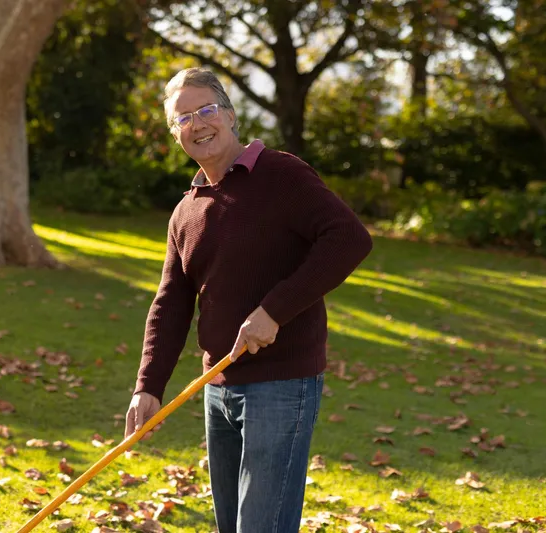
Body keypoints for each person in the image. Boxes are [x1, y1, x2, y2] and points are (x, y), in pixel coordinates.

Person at [124, 67, 373, 533]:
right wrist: (148, 385)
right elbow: (171, 302)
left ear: (231, 114)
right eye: (183, 118)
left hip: (281, 386)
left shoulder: (281, 173)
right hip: (216, 387)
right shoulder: (187, 209)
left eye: (206, 110)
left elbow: (349, 239)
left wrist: (273, 311)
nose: (197, 124)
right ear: (174, 134)